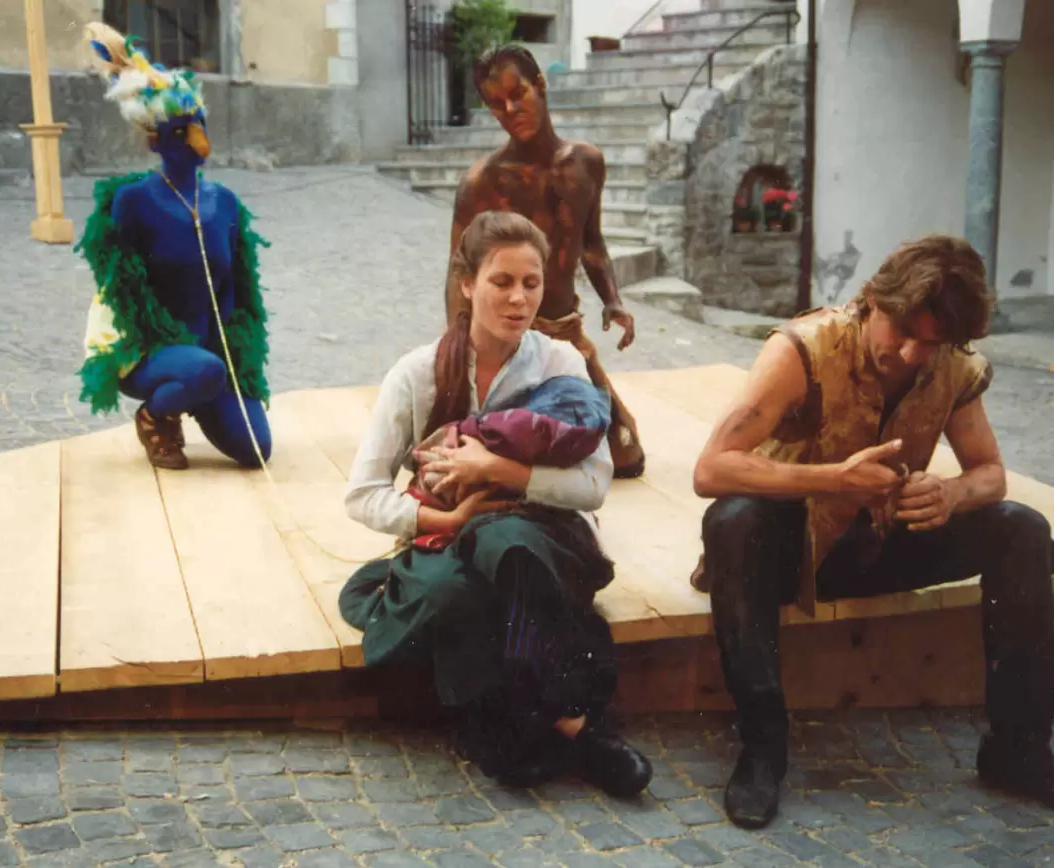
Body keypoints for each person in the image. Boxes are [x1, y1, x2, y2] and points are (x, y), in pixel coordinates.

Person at [691, 235, 1054, 828]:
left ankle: (1019, 747)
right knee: (731, 521)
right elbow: (711, 469)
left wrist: (951, 493)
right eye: (903, 332)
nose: (911, 354)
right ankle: (762, 748)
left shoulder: (952, 365)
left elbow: (990, 473)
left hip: (880, 543)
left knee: (1024, 529)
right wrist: (833, 479)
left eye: (931, 342)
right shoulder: (803, 348)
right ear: (874, 301)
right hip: (788, 552)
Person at [342, 211, 652, 795]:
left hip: (540, 536)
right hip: (447, 535)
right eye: (501, 282)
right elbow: (362, 495)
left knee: (506, 541)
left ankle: (534, 728)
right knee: (453, 589)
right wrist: (447, 516)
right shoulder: (416, 374)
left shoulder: (560, 363)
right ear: (467, 284)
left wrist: (496, 470)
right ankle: (563, 726)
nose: (518, 299)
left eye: (531, 283)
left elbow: (592, 486)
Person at [75, 22, 272, 471]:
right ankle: (156, 415)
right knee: (201, 370)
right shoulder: (133, 201)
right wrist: (179, 355)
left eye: (200, 124)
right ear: (155, 139)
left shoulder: (225, 203)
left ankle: (198, 389)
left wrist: (234, 358)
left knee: (256, 449)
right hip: (149, 351)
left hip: (209, 355)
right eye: (182, 131)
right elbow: (122, 292)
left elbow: (236, 293)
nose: (199, 140)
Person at [444, 44, 645, 479]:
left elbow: (591, 242)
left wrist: (612, 300)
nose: (510, 110)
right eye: (496, 103)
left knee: (627, 455)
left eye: (518, 94)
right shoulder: (483, 182)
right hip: (509, 337)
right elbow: (459, 272)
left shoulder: (587, 163)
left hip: (565, 332)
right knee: (501, 446)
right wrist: (459, 356)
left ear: (540, 85)